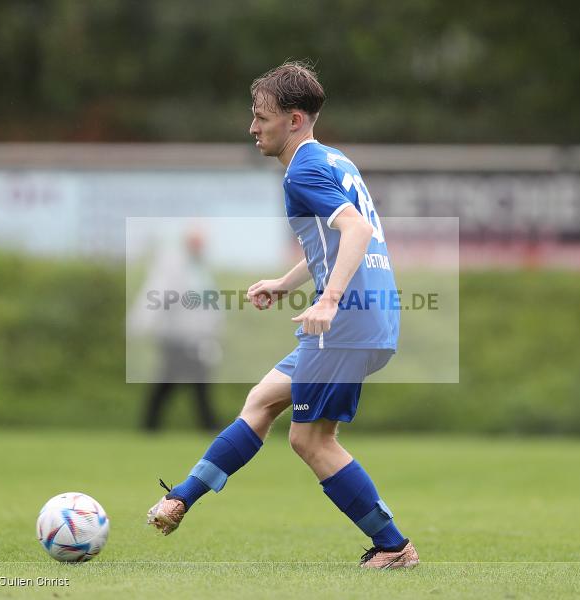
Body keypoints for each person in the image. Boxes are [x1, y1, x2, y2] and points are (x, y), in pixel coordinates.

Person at [146, 61, 418, 569]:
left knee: (311, 439)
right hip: (370, 315)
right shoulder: (334, 160)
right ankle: (180, 498)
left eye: (261, 116)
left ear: (294, 119)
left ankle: (394, 547)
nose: (252, 127)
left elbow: (356, 231)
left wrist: (329, 299)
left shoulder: (304, 170)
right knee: (263, 399)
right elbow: (337, 239)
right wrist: (287, 283)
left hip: (348, 321)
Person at [127, 227, 221, 431]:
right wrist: (140, 323)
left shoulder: (200, 268)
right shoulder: (174, 265)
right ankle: (206, 425)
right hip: (175, 335)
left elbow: (209, 302)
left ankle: (152, 425)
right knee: (173, 381)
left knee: (189, 381)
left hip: (196, 337)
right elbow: (156, 294)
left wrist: (212, 327)